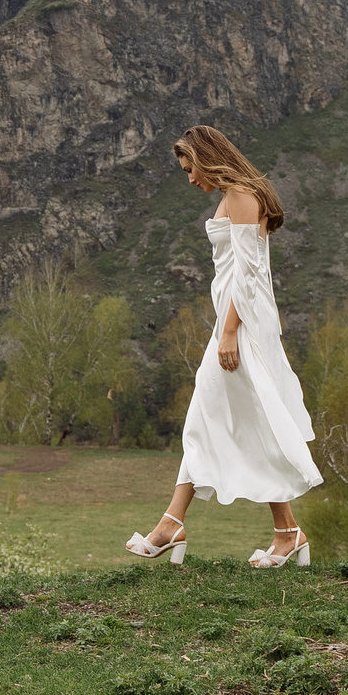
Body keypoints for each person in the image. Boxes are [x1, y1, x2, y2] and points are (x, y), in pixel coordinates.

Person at [126, 124, 322, 568]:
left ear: (207, 158)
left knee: (221, 414)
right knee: (227, 415)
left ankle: (176, 525)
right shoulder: (235, 195)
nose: (190, 179)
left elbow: (248, 275)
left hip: (243, 323)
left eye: (190, 168)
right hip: (234, 320)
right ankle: (281, 531)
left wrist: (230, 331)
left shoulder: (241, 196)